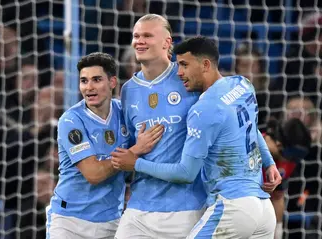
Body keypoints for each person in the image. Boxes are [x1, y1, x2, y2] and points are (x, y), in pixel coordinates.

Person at [112, 36, 282, 238]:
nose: (179, 72)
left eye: (184, 65)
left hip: (233, 206)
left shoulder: (203, 110)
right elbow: (251, 127)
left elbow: (185, 173)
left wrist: (136, 163)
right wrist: (269, 163)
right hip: (263, 209)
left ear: (205, 65)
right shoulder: (242, 85)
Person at [45, 52, 163, 239]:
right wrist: (134, 151)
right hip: (69, 222)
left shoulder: (125, 113)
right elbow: (94, 174)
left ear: (112, 82)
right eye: (84, 81)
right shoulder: (71, 120)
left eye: (96, 80)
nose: (89, 87)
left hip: (111, 221)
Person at [114, 14, 206, 239]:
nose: (139, 41)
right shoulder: (128, 90)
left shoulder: (189, 78)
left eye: (147, 35)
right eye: (136, 36)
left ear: (167, 42)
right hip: (139, 207)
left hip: (187, 207)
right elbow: (127, 148)